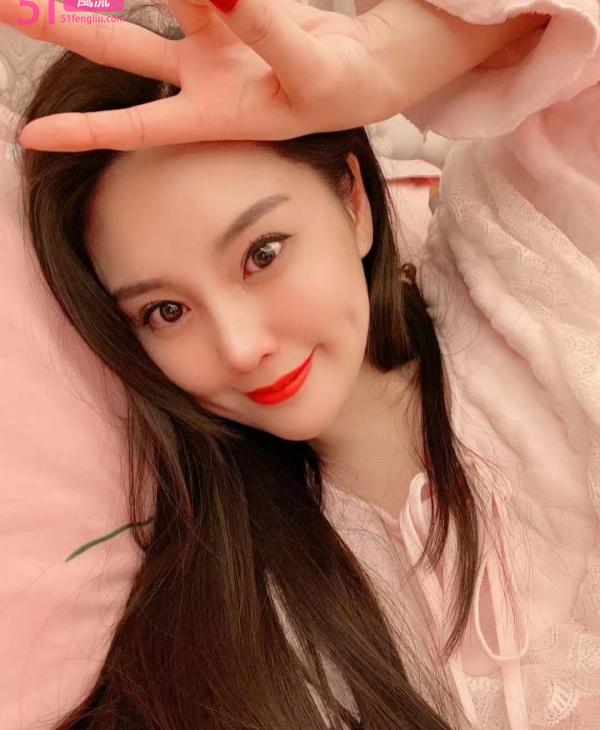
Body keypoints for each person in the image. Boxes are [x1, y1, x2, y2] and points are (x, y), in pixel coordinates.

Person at [4, 0, 600, 728]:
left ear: (354, 202)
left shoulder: (521, 271)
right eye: (166, 311)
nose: (238, 346)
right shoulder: (219, 616)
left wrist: (384, 63)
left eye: (262, 254)